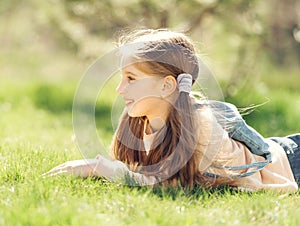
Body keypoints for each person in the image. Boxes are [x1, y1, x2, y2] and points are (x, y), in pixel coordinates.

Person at [44, 29, 300, 193]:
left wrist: (98, 167)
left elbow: (168, 184)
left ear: (166, 86)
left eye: (131, 78)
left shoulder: (202, 128)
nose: (119, 89)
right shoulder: (143, 120)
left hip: (290, 161)